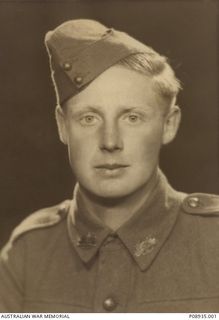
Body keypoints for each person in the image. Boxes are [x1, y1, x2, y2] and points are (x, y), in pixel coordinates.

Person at [0, 19, 219, 313]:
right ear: (62, 126)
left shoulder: (212, 241)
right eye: (89, 118)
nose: (110, 141)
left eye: (132, 117)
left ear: (169, 125)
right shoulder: (29, 253)